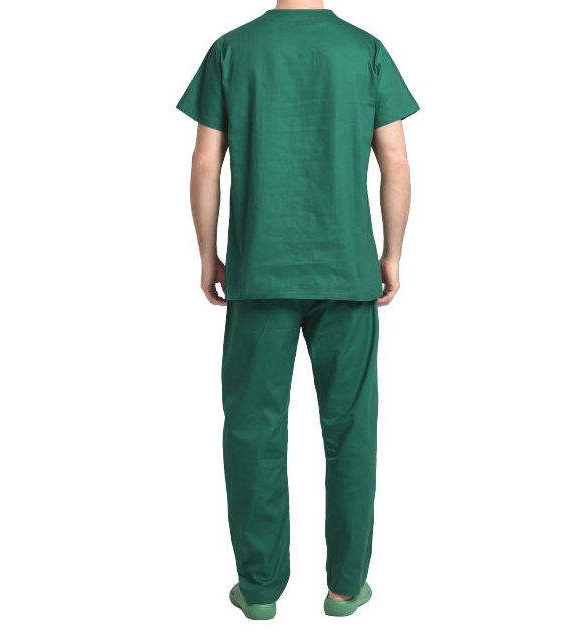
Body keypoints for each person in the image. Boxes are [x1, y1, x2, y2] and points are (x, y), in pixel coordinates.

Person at [177, 0, 418, 619]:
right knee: (351, 431)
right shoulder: (365, 50)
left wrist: (208, 253)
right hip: (347, 270)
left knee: (253, 431)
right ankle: (345, 587)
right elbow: (395, 161)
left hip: (259, 271)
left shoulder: (232, 50)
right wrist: (391, 254)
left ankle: (259, 591)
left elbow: (206, 162)